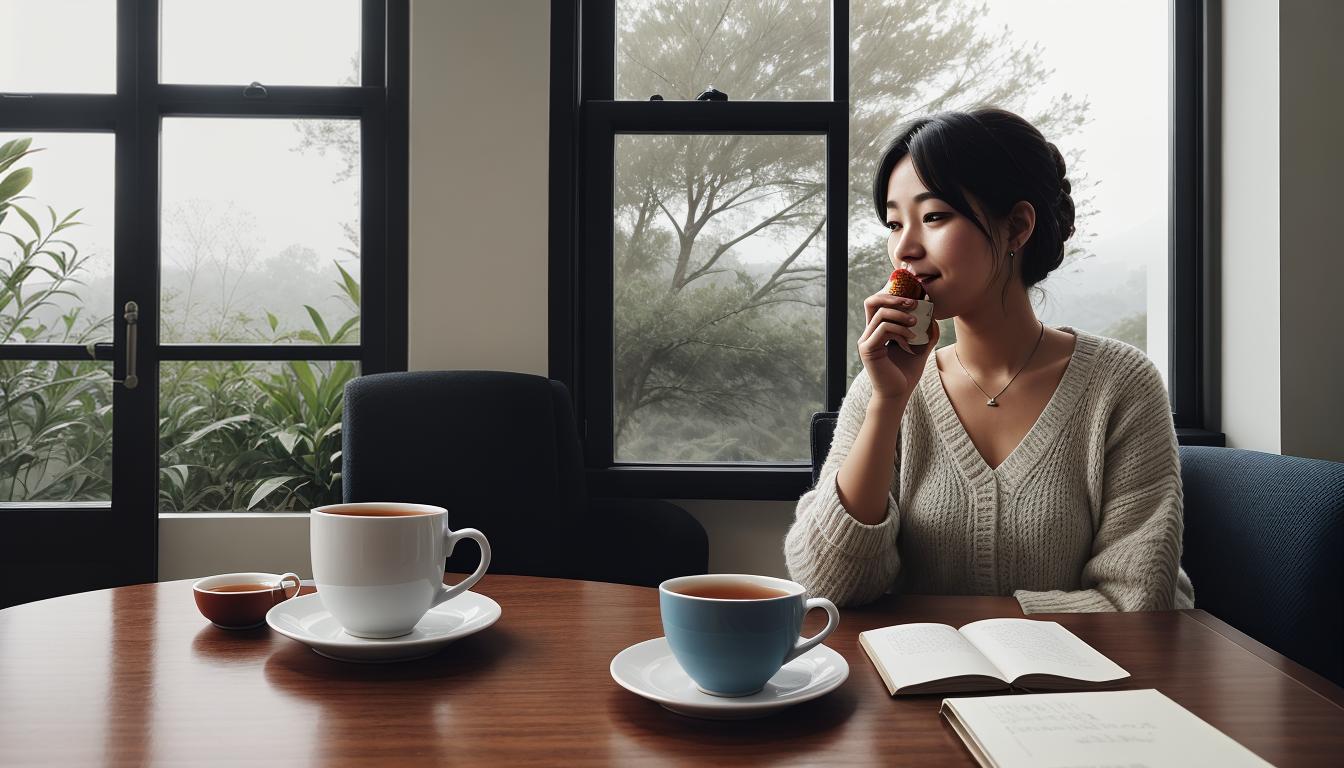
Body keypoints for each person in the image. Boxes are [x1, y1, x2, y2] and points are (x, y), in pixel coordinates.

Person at [784, 106, 1194, 613]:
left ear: (1017, 227)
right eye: (894, 224)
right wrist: (888, 403)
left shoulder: (1121, 385)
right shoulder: (881, 384)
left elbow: (1139, 600)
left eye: (934, 216)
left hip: (1084, 686)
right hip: (913, 685)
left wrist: (987, 627)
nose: (904, 249)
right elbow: (829, 587)